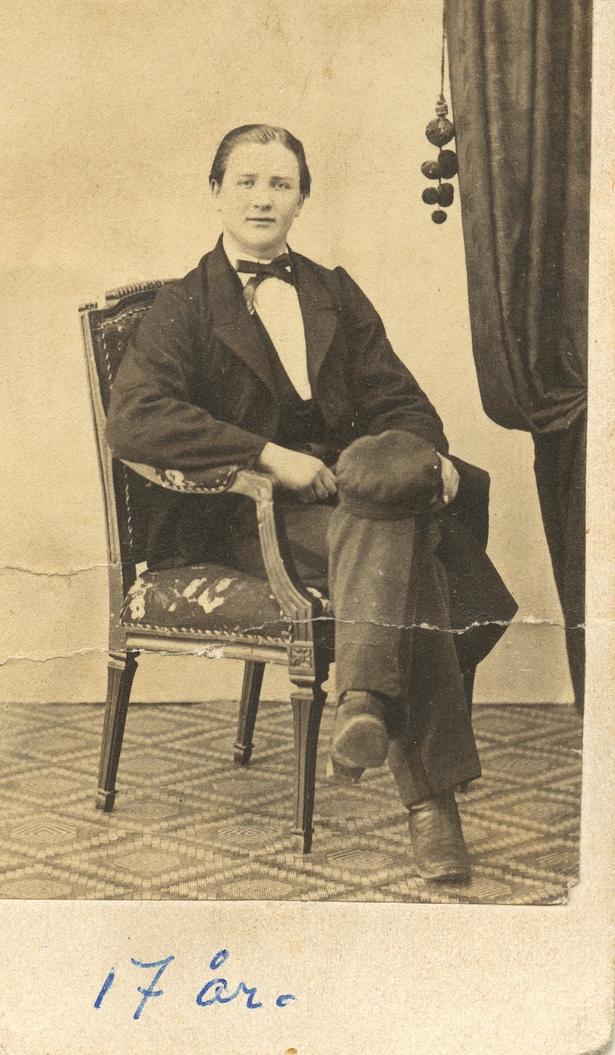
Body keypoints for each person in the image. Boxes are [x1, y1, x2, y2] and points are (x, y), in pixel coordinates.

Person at [106, 123, 517, 883]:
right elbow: (135, 418)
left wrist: (417, 459)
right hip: (251, 515)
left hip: (351, 500)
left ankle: (364, 698)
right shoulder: (185, 305)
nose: (263, 198)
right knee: (413, 555)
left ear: (302, 198)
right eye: (246, 182)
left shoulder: (332, 290)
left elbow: (402, 401)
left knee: (384, 514)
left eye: (280, 184)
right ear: (216, 192)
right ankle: (428, 803)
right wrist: (268, 455)